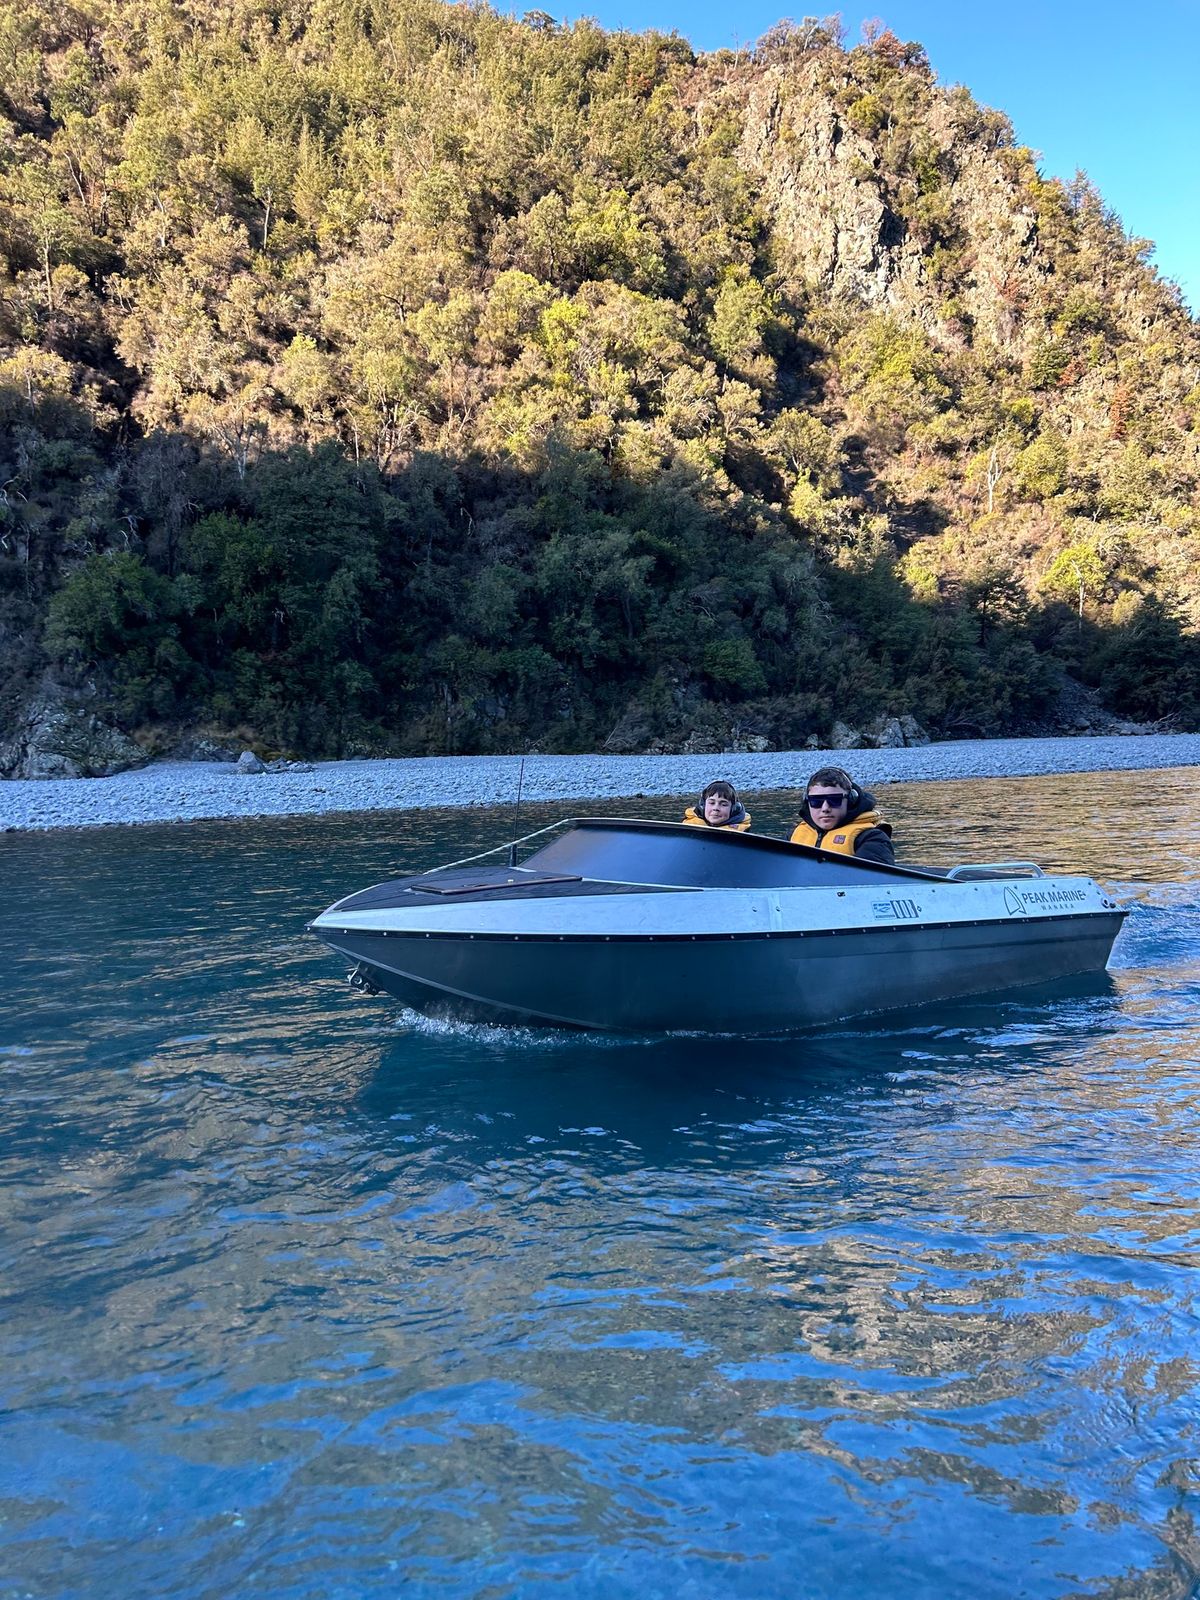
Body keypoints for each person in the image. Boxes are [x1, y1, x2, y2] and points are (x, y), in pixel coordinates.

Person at [789, 766, 894, 863]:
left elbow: (872, 879)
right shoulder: (793, 834)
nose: (825, 808)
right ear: (807, 802)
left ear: (850, 800)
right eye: (816, 801)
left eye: (835, 800)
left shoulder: (872, 838)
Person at [682, 779, 752, 831]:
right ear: (702, 806)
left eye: (723, 804)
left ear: (734, 809)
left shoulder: (744, 838)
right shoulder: (686, 829)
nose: (716, 808)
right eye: (712, 803)